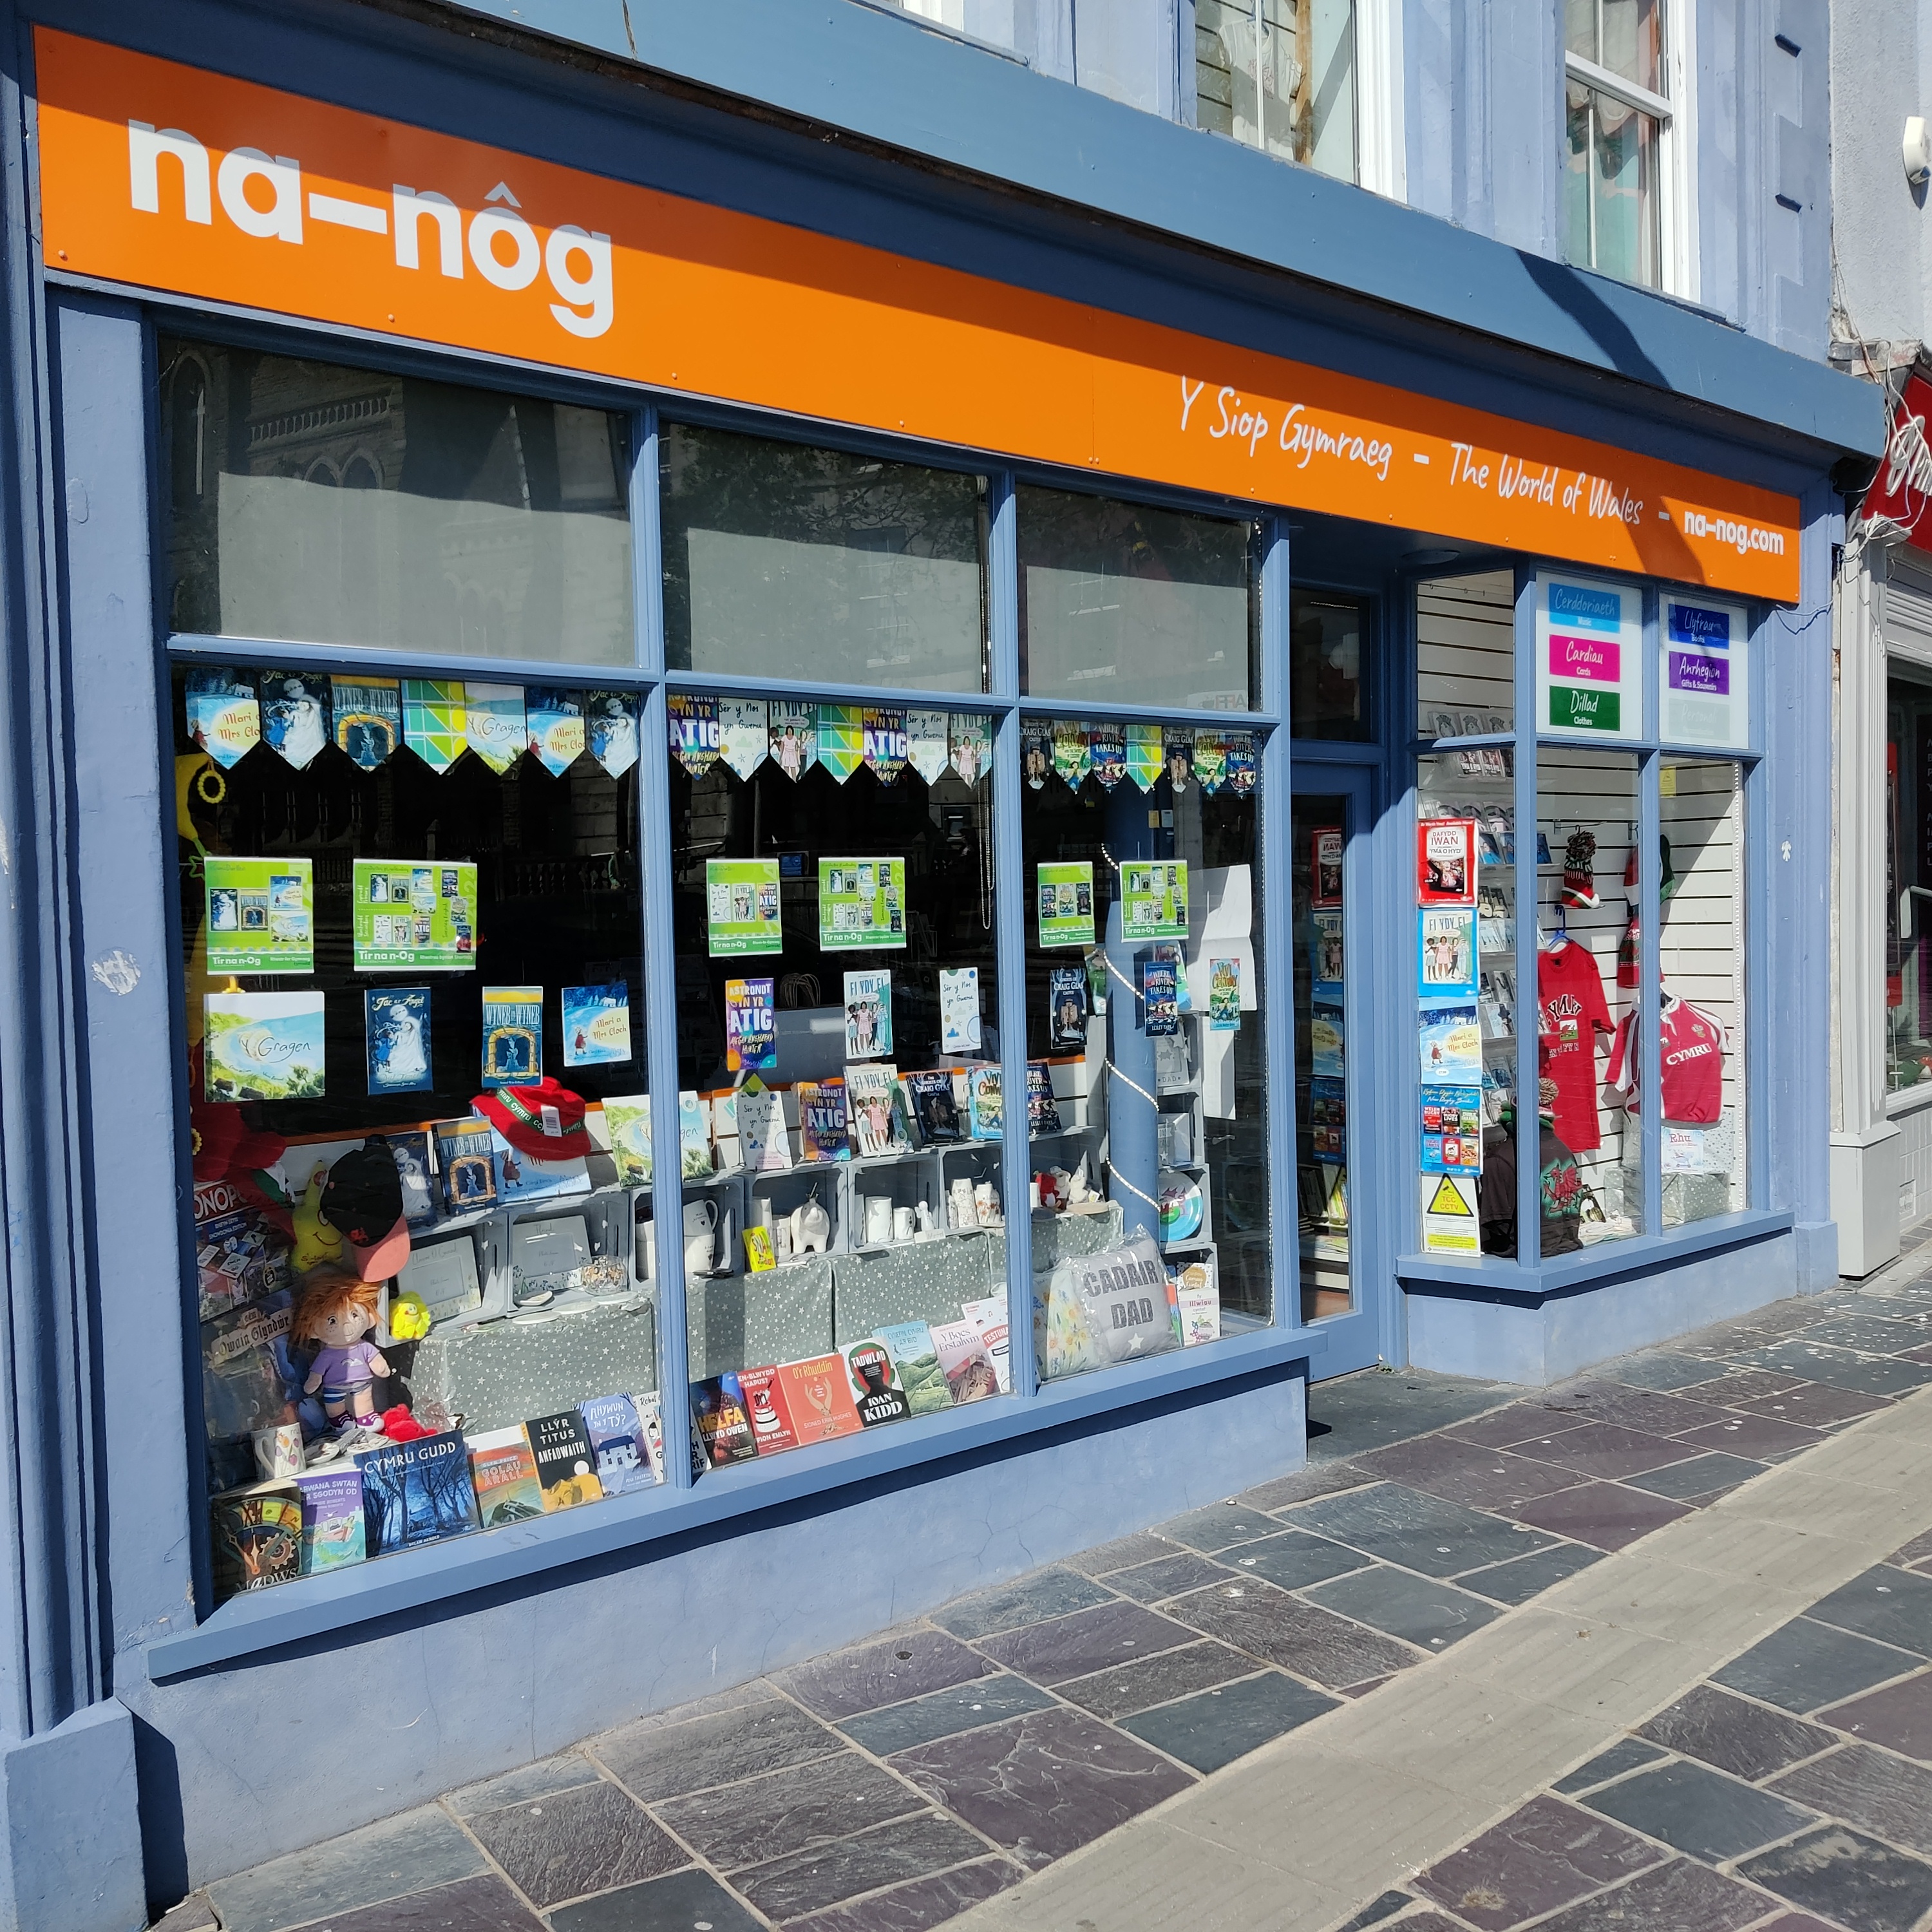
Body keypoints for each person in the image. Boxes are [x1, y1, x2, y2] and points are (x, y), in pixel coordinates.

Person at [1477, 1078, 1584, 1258]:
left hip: (1524, 1256)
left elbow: (1498, 1222)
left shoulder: (1498, 1159)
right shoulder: (1563, 1150)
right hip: (1566, 1250)